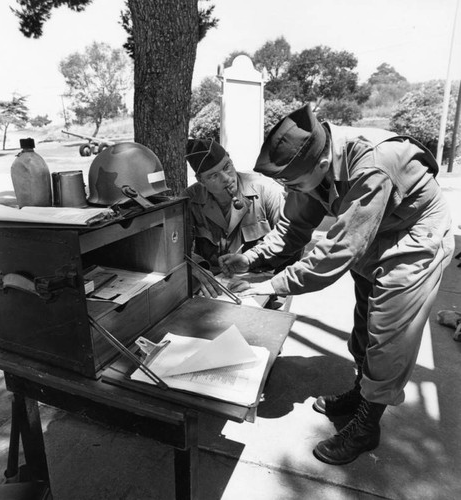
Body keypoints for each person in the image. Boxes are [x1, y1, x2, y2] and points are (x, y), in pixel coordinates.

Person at [219, 103, 454, 465]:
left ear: (323, 164)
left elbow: (338, 250)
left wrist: (273, 285)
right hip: (374, 232)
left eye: (294, 183)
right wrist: (251, 259)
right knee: (364, 323)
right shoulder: (310, 162)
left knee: (389, 331)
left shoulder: (373, 164)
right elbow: (293, 227)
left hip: (415, 236)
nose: (291, 189)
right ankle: (363, 394)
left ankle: (367, 427)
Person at [183, 138, 288, 298]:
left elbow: (291, 241)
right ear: (201, 181)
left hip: (262, 284)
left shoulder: (267, 191)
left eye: (227, 166)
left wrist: (274, 288)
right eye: (213, 176)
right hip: (216, 289)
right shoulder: (190, 200)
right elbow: (177, 248)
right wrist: (196, 267)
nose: (226, 178)